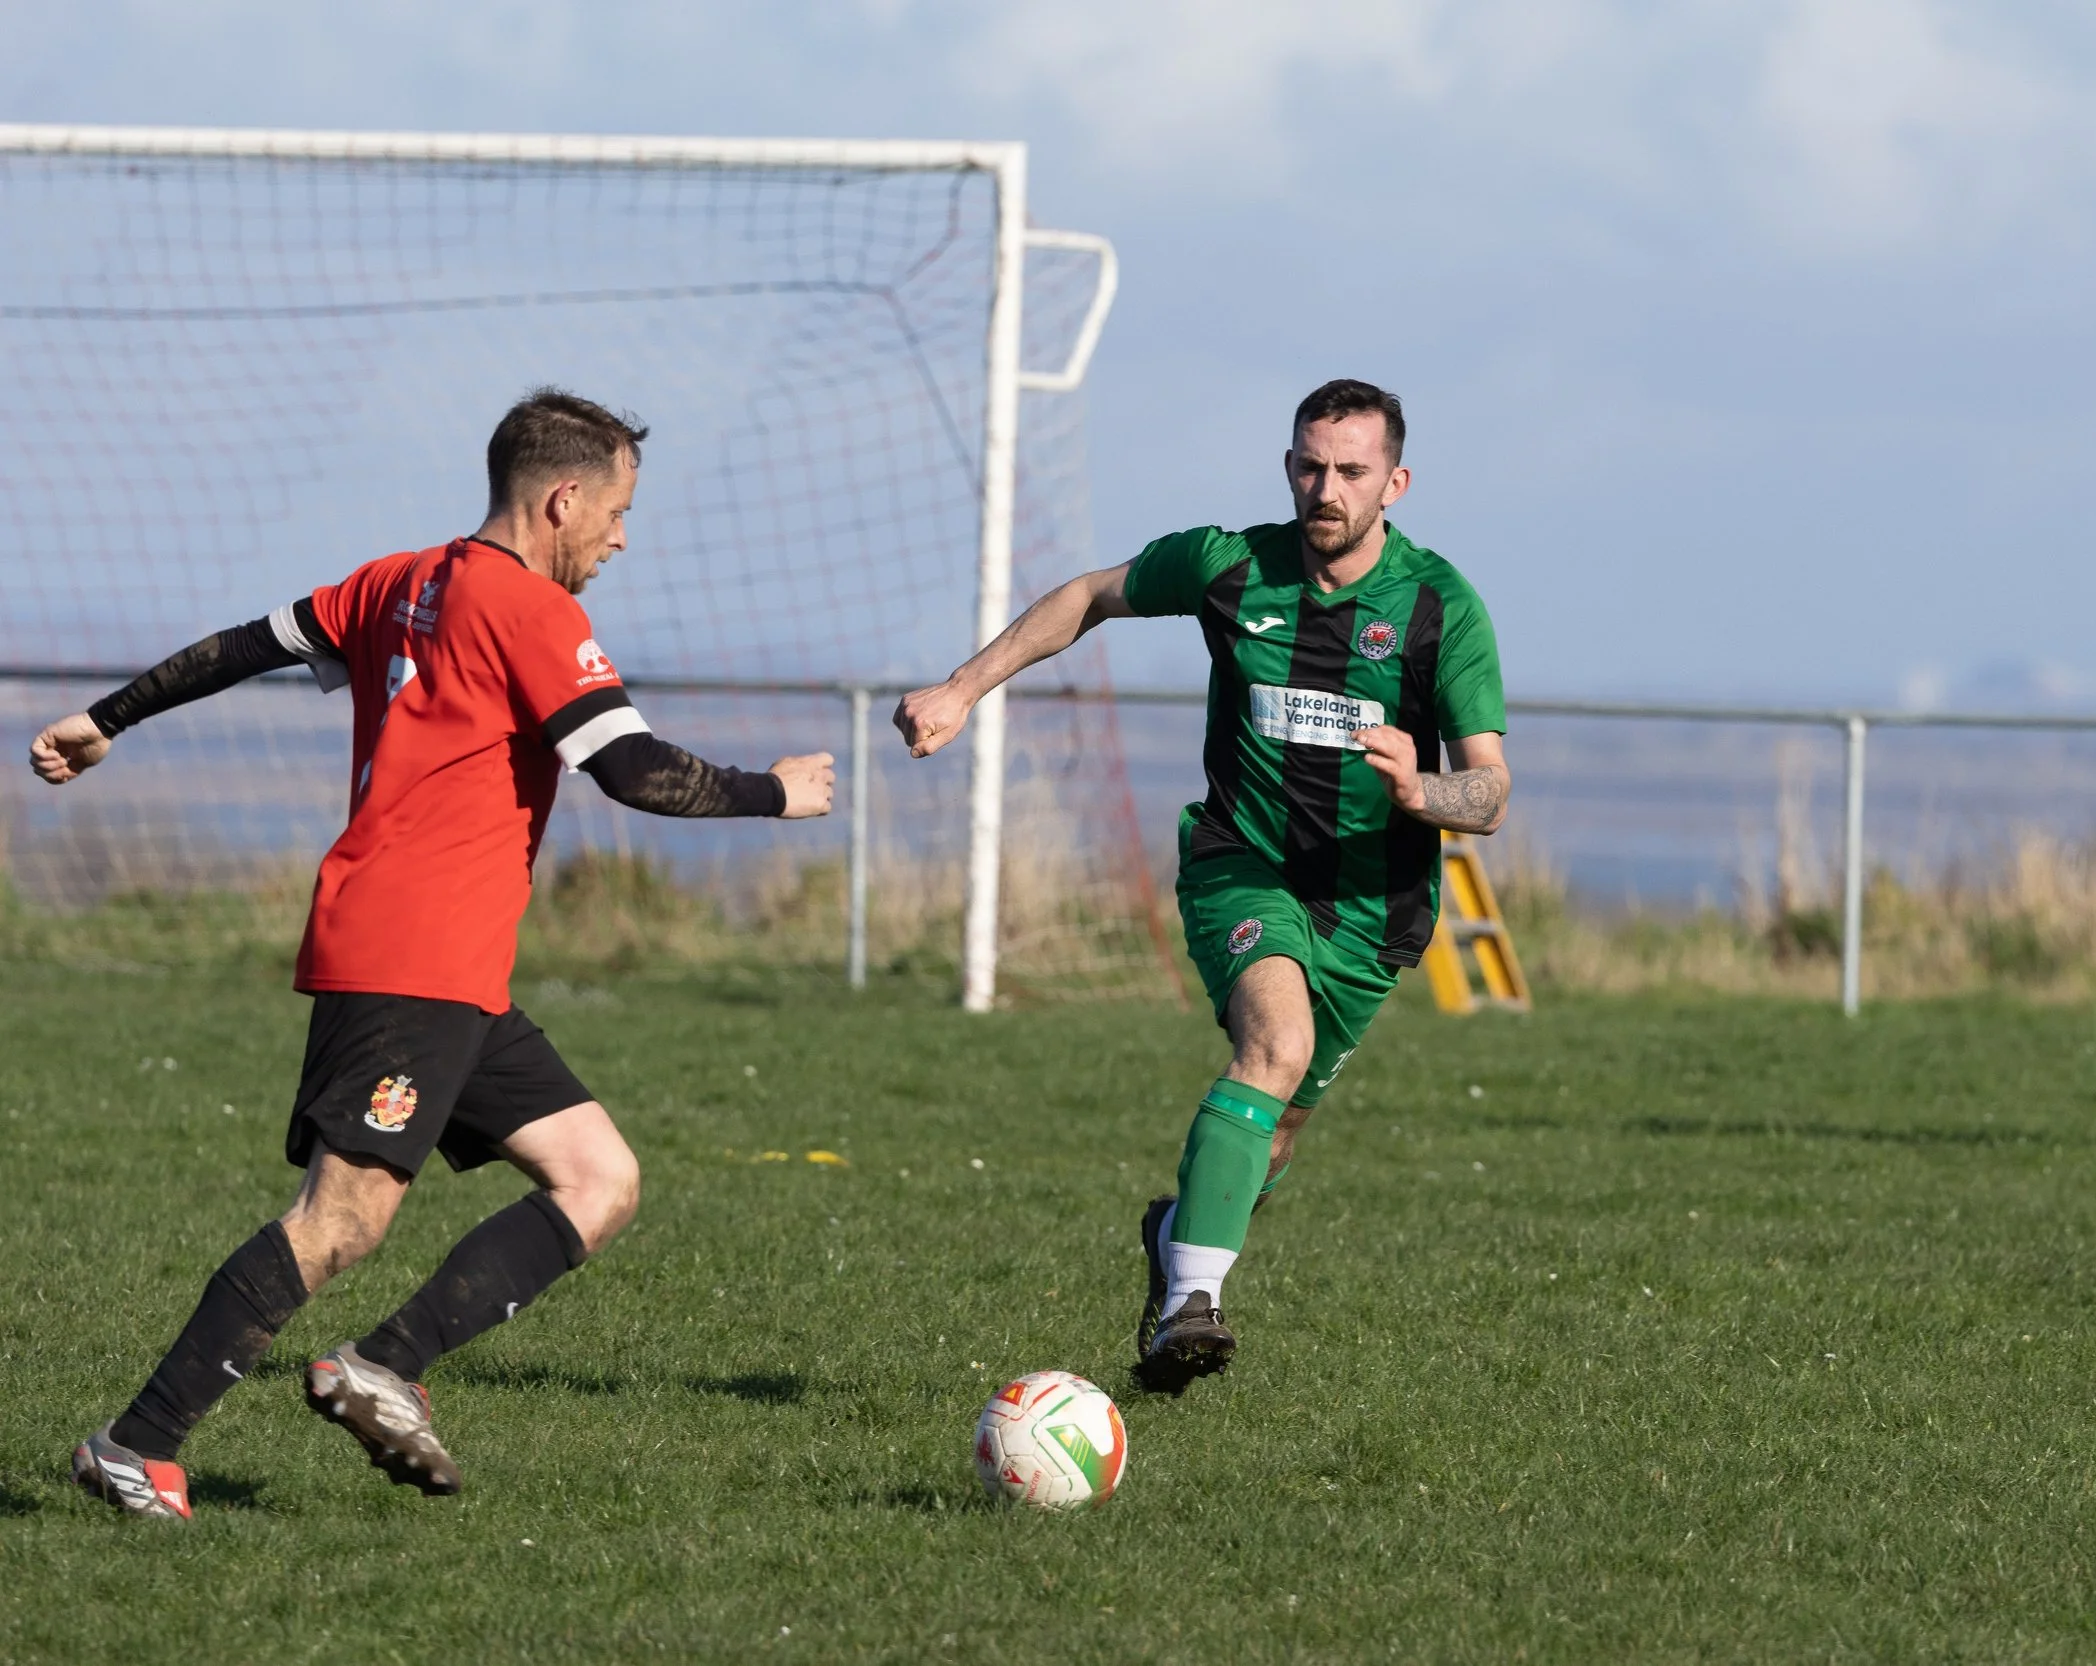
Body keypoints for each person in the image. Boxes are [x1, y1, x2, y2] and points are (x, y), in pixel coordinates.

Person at [29, 389, 835, 1519]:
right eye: (616, 511)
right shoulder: (534, 613)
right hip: (410, 959)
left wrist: (109, 716)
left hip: (448, 967)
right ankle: (137, 1442)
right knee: (341, 1222)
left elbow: (240, 647)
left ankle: (382, 1366)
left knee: (599, 1179)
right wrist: (776, 795)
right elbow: (634, 770)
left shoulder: (395, 579)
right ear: (562, 499)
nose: (620, 537)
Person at [895, 378, 1508, 1392]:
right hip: (1243, 865)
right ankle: (1192, 1299)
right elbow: (1090, 595)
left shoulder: (1439, 606)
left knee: (1275, 1130)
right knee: (1276, 1043)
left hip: (1371, 910)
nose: (1327, 488)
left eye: (1351, 471)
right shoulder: (1230, 566)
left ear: (1393, 482)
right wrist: (962, 688)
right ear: (1287, 467)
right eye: (1310, 466)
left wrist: (1422, 787)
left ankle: (1177, 1235)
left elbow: (1487, 793)